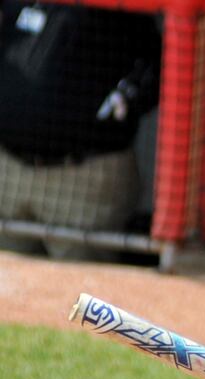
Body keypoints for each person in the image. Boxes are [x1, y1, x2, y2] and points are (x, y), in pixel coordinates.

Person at [0, 1, 160, 260]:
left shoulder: (117, 8)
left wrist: (123, 101)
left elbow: (157, 61)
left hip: (84, 176)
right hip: (9, 171)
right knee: (10, 285)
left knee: (80, 290)